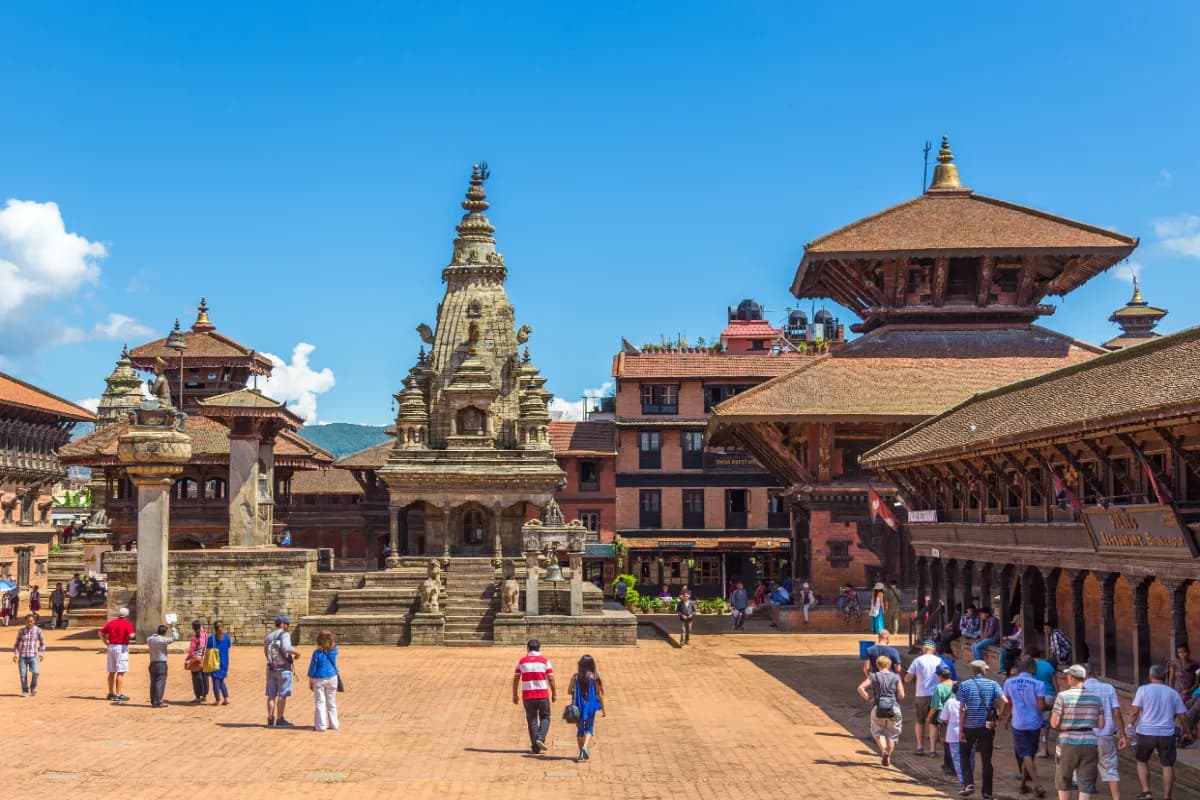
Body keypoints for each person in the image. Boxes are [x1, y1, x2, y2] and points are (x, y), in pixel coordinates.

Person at [1129, 663, 1188, 800]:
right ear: (1165, 677)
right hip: (1166, 734)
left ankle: (1146, 791)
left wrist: (1129, 726)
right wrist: (1187, 732)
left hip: (1145, 733)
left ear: (1150, 676)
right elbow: (1183, 716)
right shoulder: (1173, 693)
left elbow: (1134, 711)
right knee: (1167, 765)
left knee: (1142, 760)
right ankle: (1167, 797)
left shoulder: (1143, 690)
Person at [1051, 664, 1103, 800]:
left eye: (1068, 676)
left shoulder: (1062, 696)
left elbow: (1054, 723)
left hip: (1067, 740)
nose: (1067, 678)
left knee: (1064, 778)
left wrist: (1067, 723)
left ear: (1073, 678)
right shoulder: (1096, 698)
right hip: (1090, 741)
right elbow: (1101, 724)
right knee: (1086, 781)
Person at [1002, 657, 1050, 798]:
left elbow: (1005, 702)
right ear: (1031, 668)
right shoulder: (1038, 684)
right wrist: (1052, 706)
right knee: (1029, 754)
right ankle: (1035, 784)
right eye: (1035, 667)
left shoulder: (1009, 682)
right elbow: (1041, 706)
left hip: (1019, 723)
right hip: (1034, 723)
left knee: (1026, 754)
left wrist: (1003, 717)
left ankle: (1026, 784)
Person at [958, 660, 1006, 800]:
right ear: (983, 670)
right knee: (986, 760)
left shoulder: (964, 685)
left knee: (965, 755)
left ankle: (968, 784)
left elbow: (962, 710)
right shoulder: (993, 684)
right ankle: (987, 793)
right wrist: (998, 719)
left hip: (969, 726)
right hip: (986, 726)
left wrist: (960, 730)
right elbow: (1005, 701)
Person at [1082, 664, 1127, 800]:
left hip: (1086, 735)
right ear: (1094, 673)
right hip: (1105, 735)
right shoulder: (1108, 688)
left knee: (1085, 770)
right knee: (1110, 769)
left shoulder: (1079, 689)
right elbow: (1117, 713)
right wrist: (1122, 734)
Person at [857, 654, 905, 766]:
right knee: (892, 735)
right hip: (894, 708)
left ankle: (883, 751)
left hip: (878, 707)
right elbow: (902, 695)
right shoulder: (896, 677)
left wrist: (869, 698)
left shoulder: (874, 676)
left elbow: (860, 688)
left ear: (877, 665)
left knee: (877, 731)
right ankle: (888, 753)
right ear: (889, 665)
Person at [513, 638, 556, 754]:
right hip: (542, 694)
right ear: (539, 648)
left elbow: (516, 679)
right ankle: (540, 738)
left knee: (532, 720)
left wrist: (515, 695)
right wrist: (554, 694)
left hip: (528, 695)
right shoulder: (545, 661)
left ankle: (535, 747)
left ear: (527, 648)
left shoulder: (521, 662)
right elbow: (551, 678)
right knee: (545, 717)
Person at [905, 640, 944, 756]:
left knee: (920, 721)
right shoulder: (940, 660)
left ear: (924, 648)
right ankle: (932, 749)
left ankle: (920, 747)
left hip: (921, 694)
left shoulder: (918, 660)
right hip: (936, 694)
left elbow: (908, 678)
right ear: (934, 649)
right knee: (934, 722)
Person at [264, 615, 302, 727]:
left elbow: (266, 651)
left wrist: (272, 661)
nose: (288, 626)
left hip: (271, 668)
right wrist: (297, 653)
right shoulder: (284, 635)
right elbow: (286, 648)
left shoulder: (269, 636)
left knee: (271, 695)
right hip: (283, 669)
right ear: (282, 624)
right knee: (282, 694)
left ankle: (270, 718)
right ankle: (280, 719)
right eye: (286, 624)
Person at [567, 654, 606, 761]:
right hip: (591, 706)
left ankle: (581, 754)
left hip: (578, 706)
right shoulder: (595, 677)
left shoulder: (575, 677)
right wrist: (603, 709)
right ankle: (585, 746)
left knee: (580, 730)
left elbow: (569, 691)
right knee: (589, 728)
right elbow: (599, 694)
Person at [99, 606, 136, 702]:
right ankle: (118, 694)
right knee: (120, 671)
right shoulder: (127, 623)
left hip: (111, 646)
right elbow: (131, 635)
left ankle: (111, 693)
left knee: (112, 671)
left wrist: (106, 643)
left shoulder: (112, 622)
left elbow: (101, 633)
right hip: (121, 647)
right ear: (127, 615)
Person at [1027, 645, 1057, 758]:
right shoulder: (1048, 665)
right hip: (1049, 696)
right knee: (1045, 725)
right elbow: (1055, 684)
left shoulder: (1030, 667)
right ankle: (1045, 747)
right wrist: (1056, 696)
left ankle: (1041, 748)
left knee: (1037, 724)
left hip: (1037, 697)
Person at [307, 630, 339, 732]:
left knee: (320, 702)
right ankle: (334, 724)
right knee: (331, 702)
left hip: (319, 678)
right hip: (332, 676)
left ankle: (321, 725)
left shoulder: (316, 653)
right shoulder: (334, 650)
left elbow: (313, 667)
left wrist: (310, 680)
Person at [930, 665, 958, 777]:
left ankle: (948, 765)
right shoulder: (956, 684)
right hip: (957, 716)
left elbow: (935, 705)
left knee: (946, 741)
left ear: (940, 676)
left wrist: (929, 716)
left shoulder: (939, 687)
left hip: (944, 717)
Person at [146, 622, 180, 707]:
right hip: (161, 663)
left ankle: (153, 700)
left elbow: (152, 638)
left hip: (152, 662)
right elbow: (175, 637)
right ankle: (158, 700)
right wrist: (173, 628)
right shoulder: (163, 640)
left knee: (153, 682)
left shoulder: (150, 639)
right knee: (160, 682)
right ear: (164, 633)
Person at [13, 613, 46, 697]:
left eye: (31, 621)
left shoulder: (38, 631)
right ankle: (25, 691)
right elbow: (17, 644)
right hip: (23, 656)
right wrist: (15, 654)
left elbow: (42, 643)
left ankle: (33, 688)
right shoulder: (21, 631)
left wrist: (41, 653)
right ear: (25, 622)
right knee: (23, 675)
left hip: (33, 656)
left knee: (36, 673)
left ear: (34, 621)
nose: (29, 623)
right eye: (28, 621)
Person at [941, 688, 967, 792]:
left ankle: (963, 783)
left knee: (957, 759)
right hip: (967, 731)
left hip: (953, 733)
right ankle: (968, 780)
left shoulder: (950, 702)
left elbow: (944, 718)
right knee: (967, 757)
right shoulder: (968, 701)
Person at [207, 620, 232, 705]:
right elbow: (228, 646)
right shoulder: (227, 637)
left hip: (214, 661)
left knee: (215, 681)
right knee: (221, 680)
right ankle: (226, 698)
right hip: (225, 661)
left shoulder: (211, 639)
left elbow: (208, 649)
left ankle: (217, 699)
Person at [186, 619, 210, 704]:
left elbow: (191, 651)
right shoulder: (205, 635)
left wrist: (188, 660)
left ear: (193, 628)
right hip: (204, 659)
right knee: (204, 677)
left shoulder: (195, 638)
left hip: (196, 660)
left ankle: (198, 696)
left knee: (196, 678)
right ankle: (204, 696)